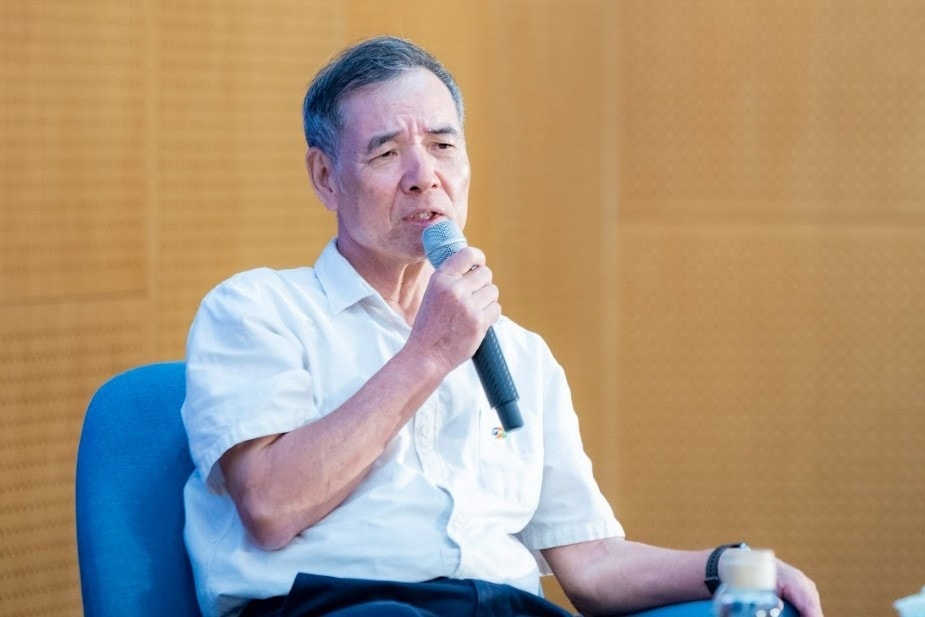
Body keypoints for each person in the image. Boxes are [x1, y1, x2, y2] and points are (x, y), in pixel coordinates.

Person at [181, 35, 823, 617]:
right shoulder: (256, 310)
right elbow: (271, 508)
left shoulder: (520, 352)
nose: (424, 177)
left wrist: (730, 566)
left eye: (443, 146)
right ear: (326, 177)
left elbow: (590, 564)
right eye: (387, 152)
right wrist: (429, 354)